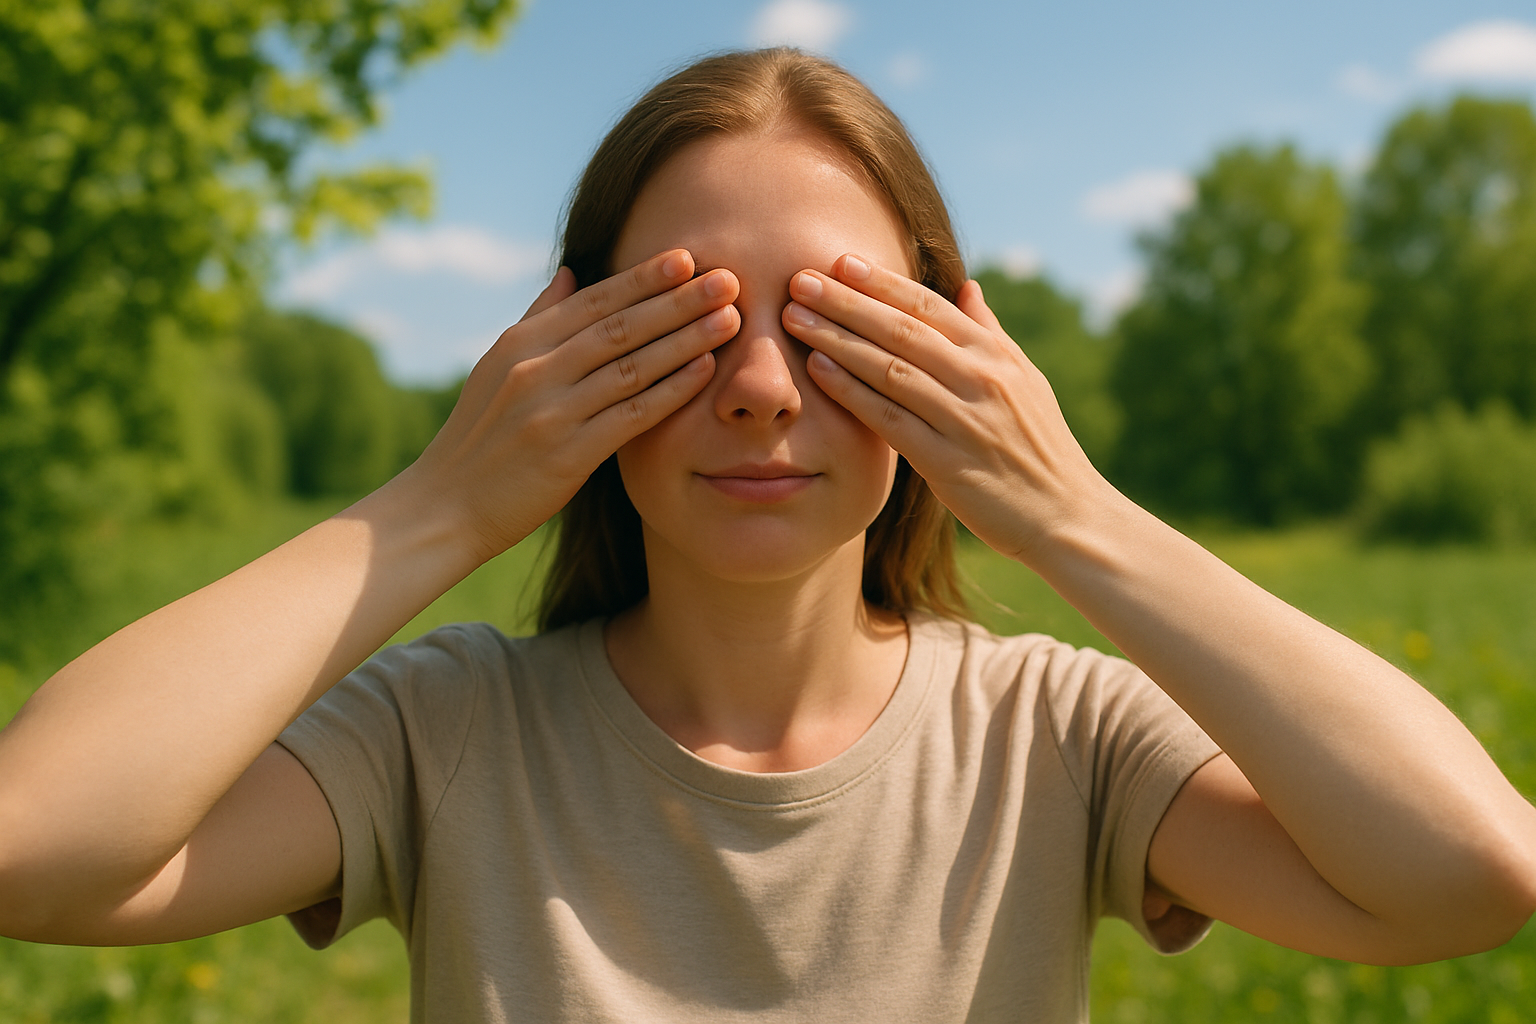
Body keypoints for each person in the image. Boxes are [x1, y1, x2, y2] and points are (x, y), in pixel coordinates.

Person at [1, 47, 1533, 1023]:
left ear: (954, 361)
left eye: (835, 324)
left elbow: (1468, 878)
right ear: (567, 355)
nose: (755, 388)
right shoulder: (452, 730)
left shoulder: (1052, 735)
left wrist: (1070, 512)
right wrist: (438, 503)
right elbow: (32, 853)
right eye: (679, 324)